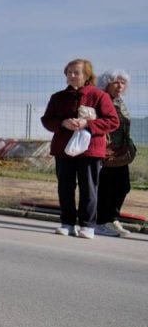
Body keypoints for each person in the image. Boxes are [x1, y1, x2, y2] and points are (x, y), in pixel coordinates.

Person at [41, 59, 119, 239]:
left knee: (89, 188)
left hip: (90, 150)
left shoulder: (100, 96)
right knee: (65, 187)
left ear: (87, 76)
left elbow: (112, 121)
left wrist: (88, 124)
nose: (72, 75)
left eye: (76, 72)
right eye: (69, 72)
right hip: (64, 149)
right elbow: (47, 120)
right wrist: (62, 123)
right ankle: (67, 223)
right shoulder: (58, 97)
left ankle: (87, 225)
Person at [95, 70, 135, 237]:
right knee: (106, 187)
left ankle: (112, 218)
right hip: (106, 152)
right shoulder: (101, 100)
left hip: (120, 153)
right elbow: (98, 123)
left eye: (123, 83)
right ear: (107, 84)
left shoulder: (120, 102)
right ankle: (101, 222)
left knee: (123, 186)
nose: (120, 86)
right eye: (116, 82)